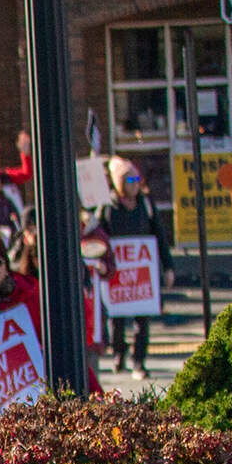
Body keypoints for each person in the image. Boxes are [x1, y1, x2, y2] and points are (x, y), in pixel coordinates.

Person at [97, 161, 171, 376]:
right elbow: (99, 235)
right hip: (117, 273)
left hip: (142, 273)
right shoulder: (108, 206)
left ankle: (139, 361)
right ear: (120, 183)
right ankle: (119, 353)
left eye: (137, 179)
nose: (135, 184)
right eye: (130, 180)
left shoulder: (146, 204)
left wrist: (168, 266)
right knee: (116, 320)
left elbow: (160, 235)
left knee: (142, 319)